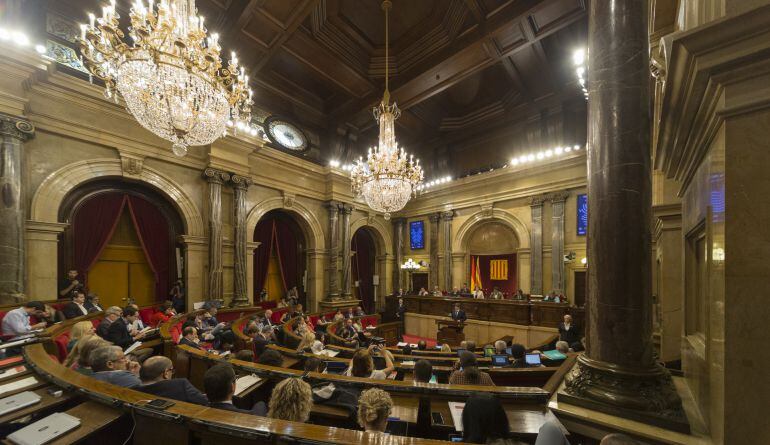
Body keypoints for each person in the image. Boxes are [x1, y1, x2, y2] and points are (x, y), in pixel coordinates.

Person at [139, 356, 209, 406]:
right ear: (166, 373)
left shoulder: (133, 390)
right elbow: (205, 401)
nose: (172, 373)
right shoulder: (181, 385)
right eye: (171, 370)